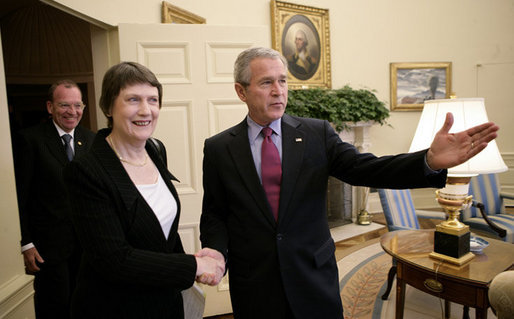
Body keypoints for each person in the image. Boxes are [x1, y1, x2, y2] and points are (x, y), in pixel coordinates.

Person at [198, 47, 499, 319]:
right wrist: (214, 251)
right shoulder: (219, 148)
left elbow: (368, 169)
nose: (279, 91)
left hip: (313, 277)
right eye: (266, 82)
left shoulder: (317, 133)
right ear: (241, 91)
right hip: (255, 282)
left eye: (283, 81)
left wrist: (428, 160)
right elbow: (215, 213)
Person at [63, 62, 224, 319]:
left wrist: (194, 260)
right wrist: (192, 265)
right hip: (115, 307)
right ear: (108, 107)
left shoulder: (155, 150)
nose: (145, 110)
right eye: (133, 99)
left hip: (164, 301)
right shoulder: (86, 171)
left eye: (153, 100)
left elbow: (161, 231)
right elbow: (114, 261)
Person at [13, 79, 95, 319]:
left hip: (87, 247)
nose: (72, 112)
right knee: (55, 307)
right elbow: (20, 195)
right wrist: (26, 243)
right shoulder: (29, 140)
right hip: (48, 248)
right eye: (64, 105)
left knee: (86, 305)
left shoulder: (91, 141)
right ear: (50, 107)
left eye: (77, 105)